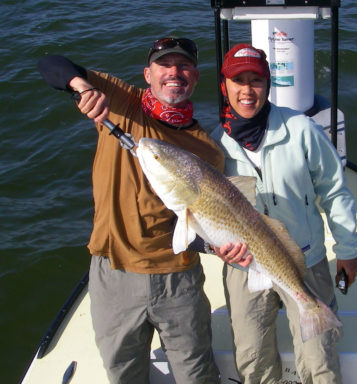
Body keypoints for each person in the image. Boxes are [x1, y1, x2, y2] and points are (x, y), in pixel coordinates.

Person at [37, 37, 223, 384]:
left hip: (178, 282)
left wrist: (219, 246)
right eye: (164, 65)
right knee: (123, 375)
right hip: (114, 276)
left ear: (195, 77)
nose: (174, 73)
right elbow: (52, 65)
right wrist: (81, 87)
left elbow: (193, 226)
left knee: (197, 376)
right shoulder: (122, 101)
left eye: (183, 66)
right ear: (147, 74)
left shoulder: (206, 151)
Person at [211, 43, 357, 384]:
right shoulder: (216, 144)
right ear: (224, 86)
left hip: (305, 258)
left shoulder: (301, 129)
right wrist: (216, 247)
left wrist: (347, 250)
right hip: (245, 264)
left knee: (320, 360)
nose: (247, 90)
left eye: (256, 81)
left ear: (268, 85)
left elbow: (334, 190)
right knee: (252, 361)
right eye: (238, 81)